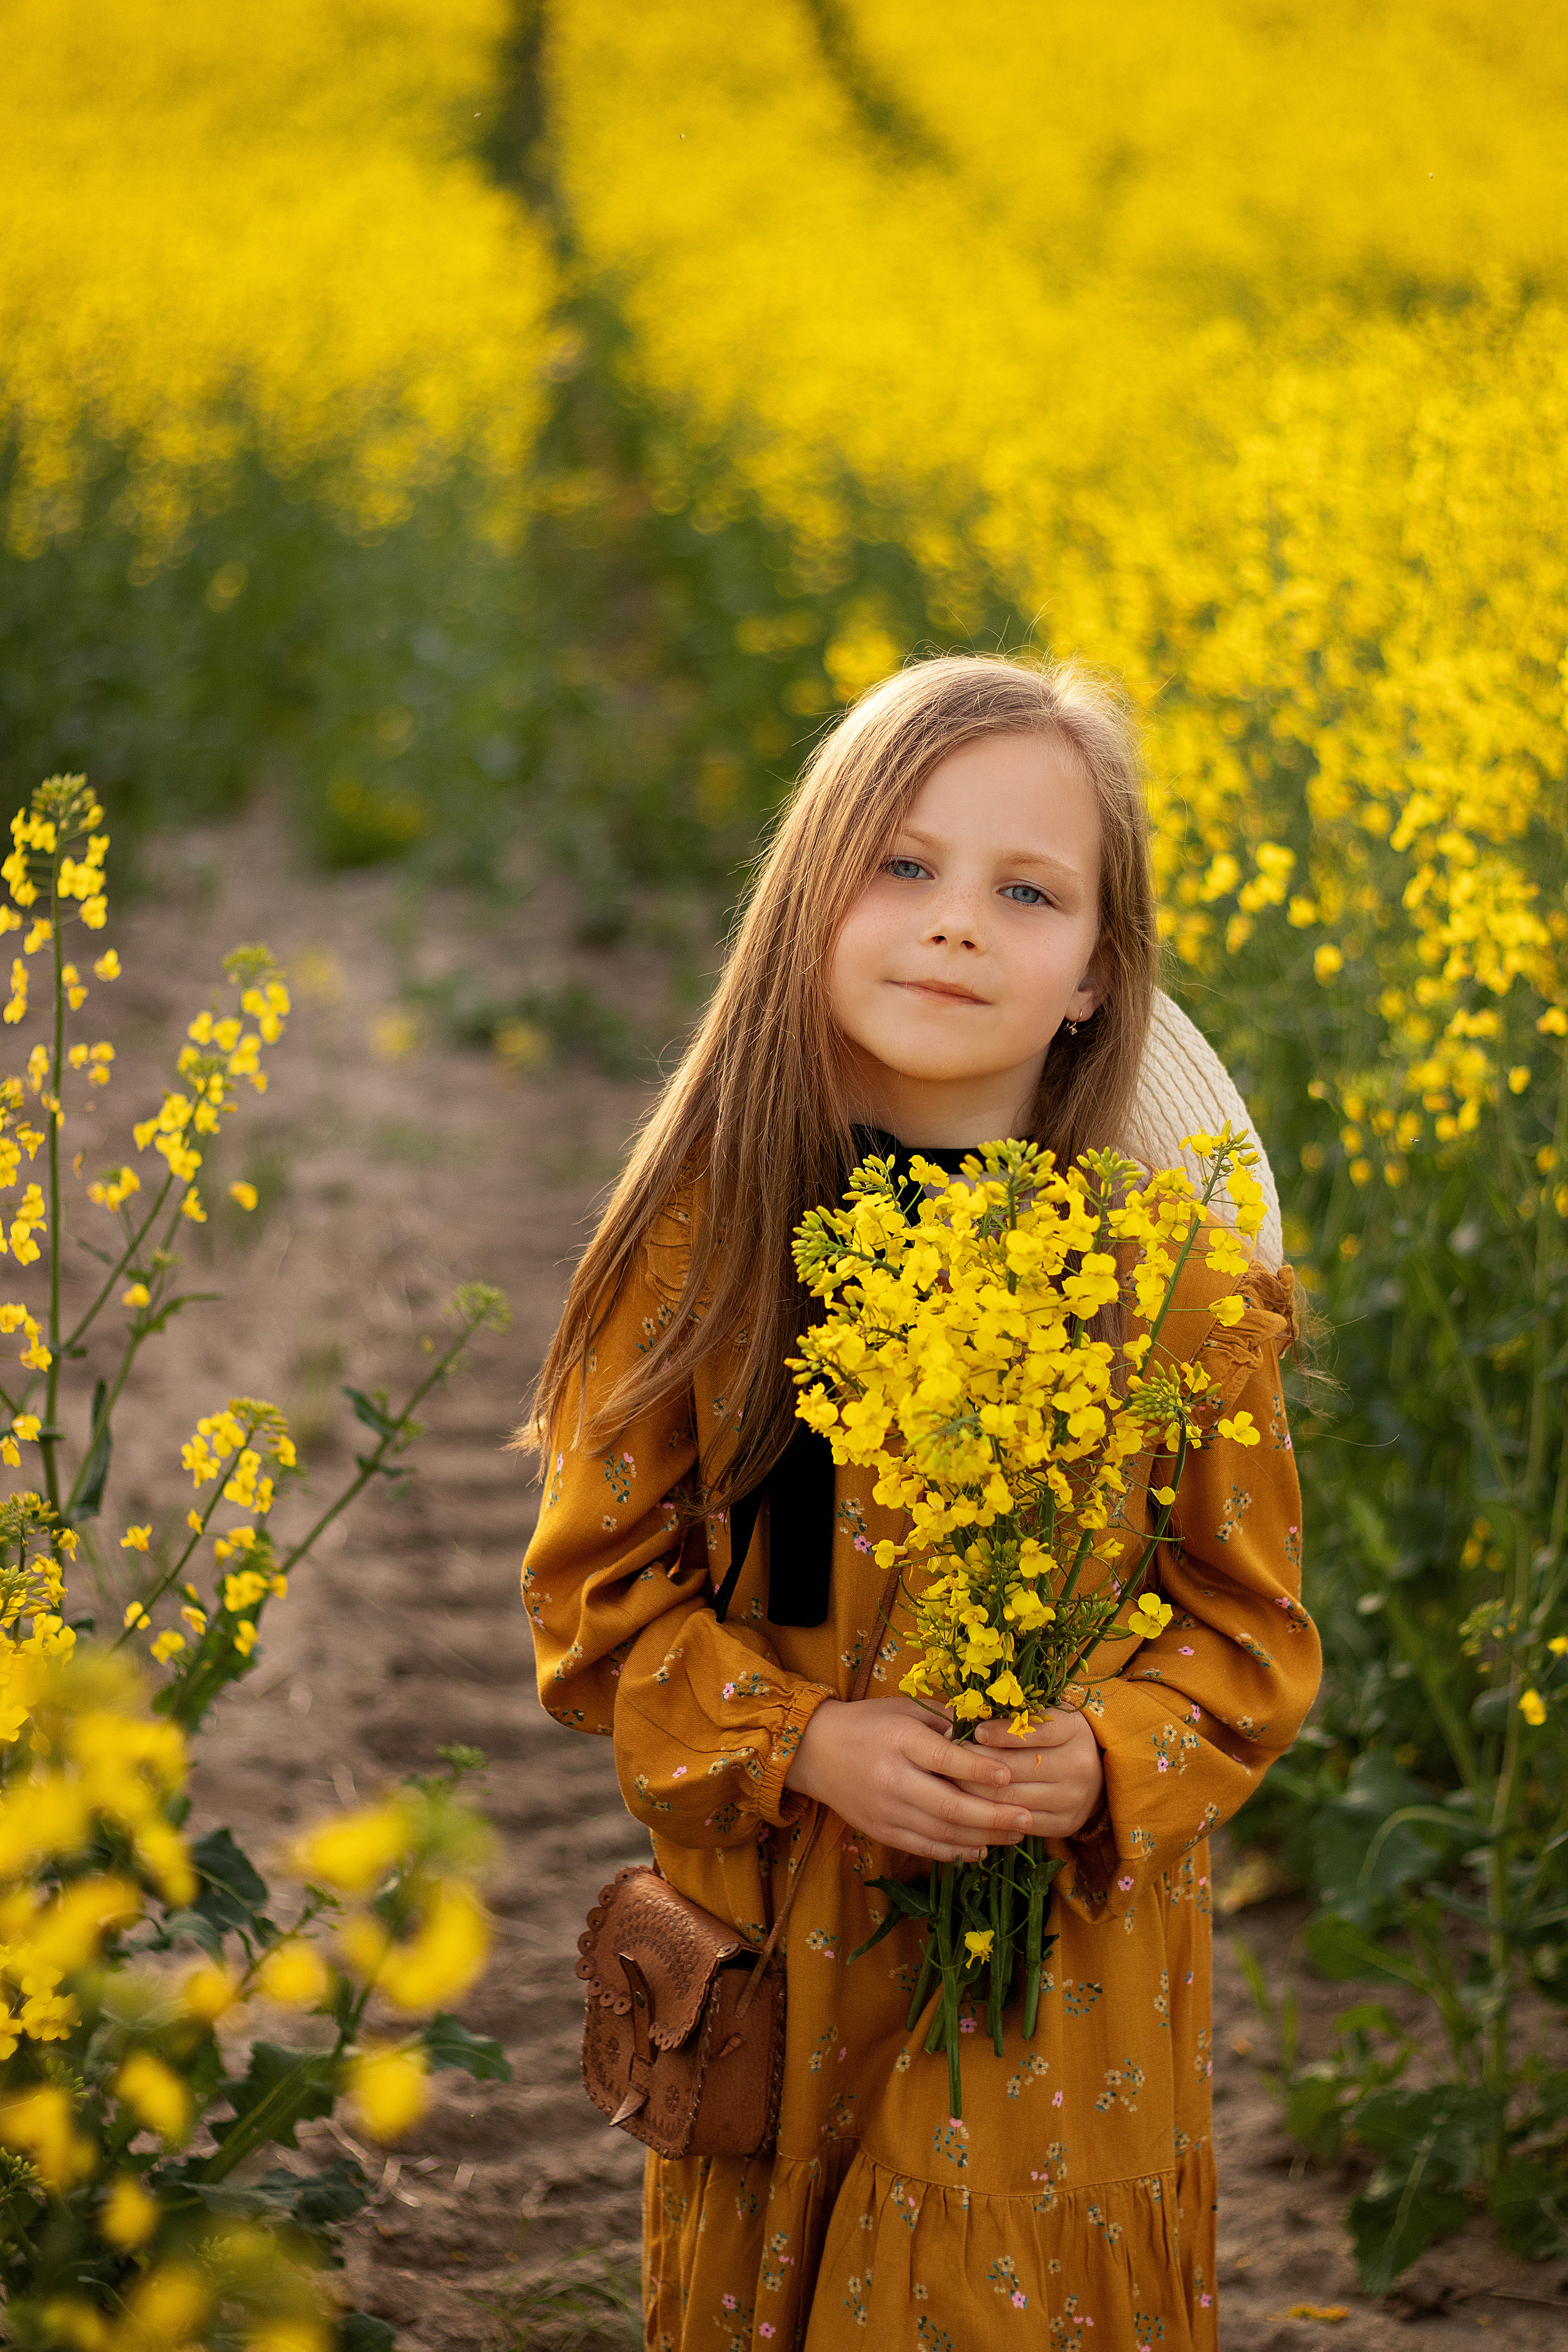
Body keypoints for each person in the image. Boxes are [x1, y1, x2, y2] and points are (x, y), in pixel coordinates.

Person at [522, 654, 1321, 2352]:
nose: (956, 922)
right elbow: (593, 1614)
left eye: (1025, 891)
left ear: (1100, 976)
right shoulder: (704, 1249)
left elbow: (1248, 1633)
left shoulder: (1171, 1286)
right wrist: (797, 1739)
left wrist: (1104, 1750)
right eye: (903, 865)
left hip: (1066, 1978)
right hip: (779, 1953)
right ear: (809, 905)